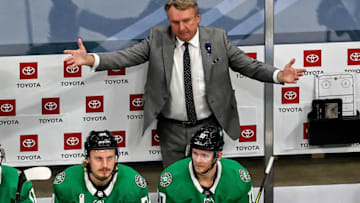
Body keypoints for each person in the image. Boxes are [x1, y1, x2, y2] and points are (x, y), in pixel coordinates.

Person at [64, 0, 306, 168]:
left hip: (208, 124)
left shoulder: (218, 38)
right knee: (175, 182)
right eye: (175, 22)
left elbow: (248, 65)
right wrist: (90, 59)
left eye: (187, 20)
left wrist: (278, 75)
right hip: (171, 129)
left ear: (198, 17)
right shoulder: (158, 38)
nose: (182, 28)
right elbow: (126, 56)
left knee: (208, 180)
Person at [157, 125, 254, 202]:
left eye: (204, 155)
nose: (198, 160)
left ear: (218, 156)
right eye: (195, 153)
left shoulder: (237, 177)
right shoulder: (171, 179)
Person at [52, 130, 150, 202]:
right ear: (87, 159)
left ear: (116, 158)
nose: (105, 165)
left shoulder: (133, 184)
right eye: (98, 159)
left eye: (110, 158)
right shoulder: (65, 184)